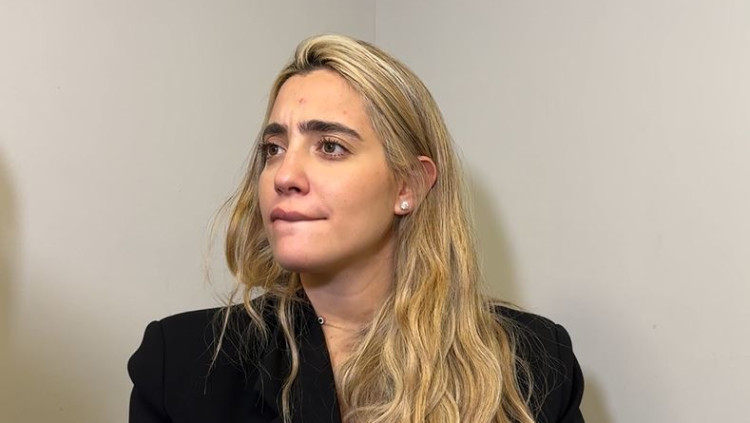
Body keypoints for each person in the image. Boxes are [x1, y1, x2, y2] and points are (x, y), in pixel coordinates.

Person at [128, 34, 585, 423]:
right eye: (274, 148)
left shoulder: (535, 364)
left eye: (330, 146)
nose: (284, 175)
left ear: (408, 185)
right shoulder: (181, 364)